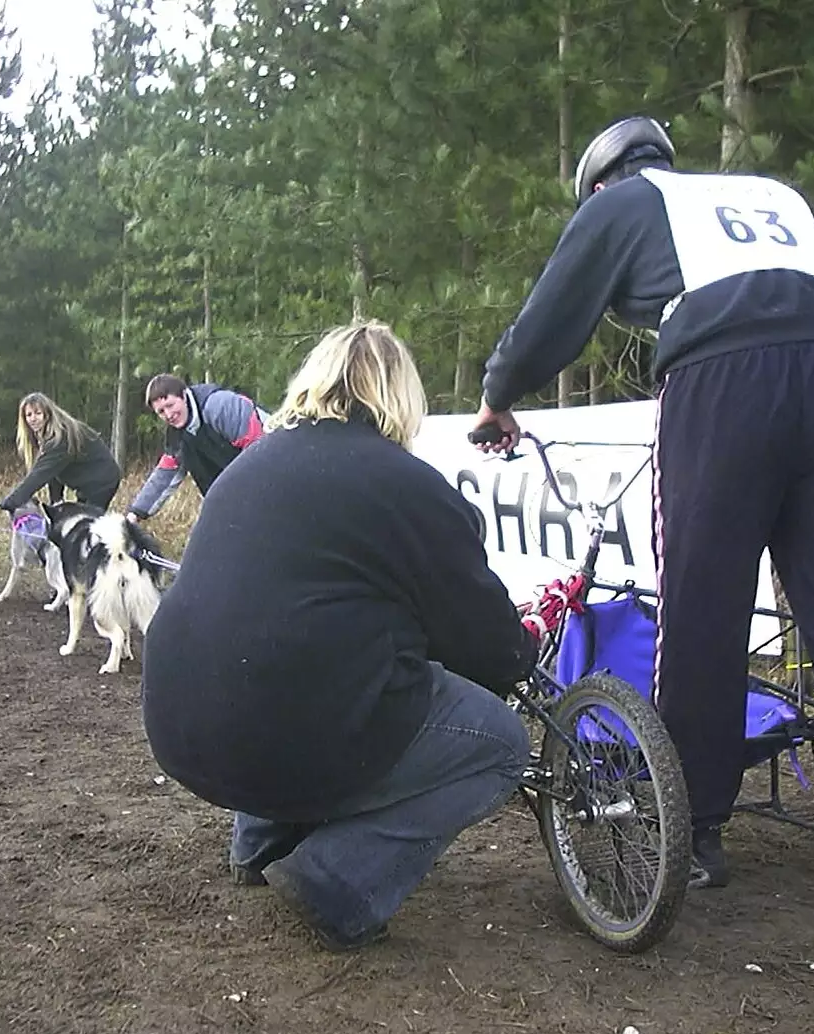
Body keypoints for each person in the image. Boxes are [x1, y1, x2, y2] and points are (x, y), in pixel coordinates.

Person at [469, 115, 814, 944]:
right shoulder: (771, 197)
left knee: (703, 621)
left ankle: (697, 839)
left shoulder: (624, 203)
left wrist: (498, 394)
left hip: (725, 384)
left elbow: (555, 313)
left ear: (601, 180)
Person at [141, 321, 537, 952]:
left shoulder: (249, 465)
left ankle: (259, 839)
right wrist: (525, 642)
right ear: (400, 396)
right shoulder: (407, 484)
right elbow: (487, 648)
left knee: (298, 665)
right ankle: (339, 881)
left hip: (179, 726)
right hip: (282, 731)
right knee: (499, 742)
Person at [125, 374, 267, 522]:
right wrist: (134, 515)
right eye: (161, 412)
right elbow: (164, 476)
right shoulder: (176, 437)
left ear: (184, 396)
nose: (168, 415)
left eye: (170, 405)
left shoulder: (219, 405)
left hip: (273, 469)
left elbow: (260, 448)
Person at [0, 393, 123, 513]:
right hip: (86, 484)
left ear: (48, 414)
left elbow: (40, 474)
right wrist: (56, 503)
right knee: (79, 523)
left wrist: (12, 501)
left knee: (87, 524)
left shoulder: (60, 437)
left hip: (102, 481)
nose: (33, 419)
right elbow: (54, 472)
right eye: (29, 415)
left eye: (38, 413)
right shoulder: (45, 436)